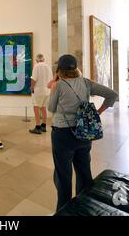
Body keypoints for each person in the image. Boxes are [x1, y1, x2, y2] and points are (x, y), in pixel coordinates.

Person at [48, 55, 118, 212]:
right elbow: (112, 94)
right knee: (84, 172)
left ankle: (64, 211)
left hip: (62, 134)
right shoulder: (86, 83)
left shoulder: (58, 85)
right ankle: (85, 209)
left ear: (59, 69)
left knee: (63, 176)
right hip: (84, 133)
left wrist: (53, 88)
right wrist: (98, 111)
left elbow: (51, 108)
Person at [29, 54, 54, 135]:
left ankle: (37, 127)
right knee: (43, 107)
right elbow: (51, 79)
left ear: (36, 60)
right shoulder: (48, 67)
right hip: (47, 90)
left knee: (36, 108)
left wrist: (32, 87)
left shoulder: (36, 66)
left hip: (38, 90)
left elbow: (34, 79)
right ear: (43, 59)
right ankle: (44, 126)